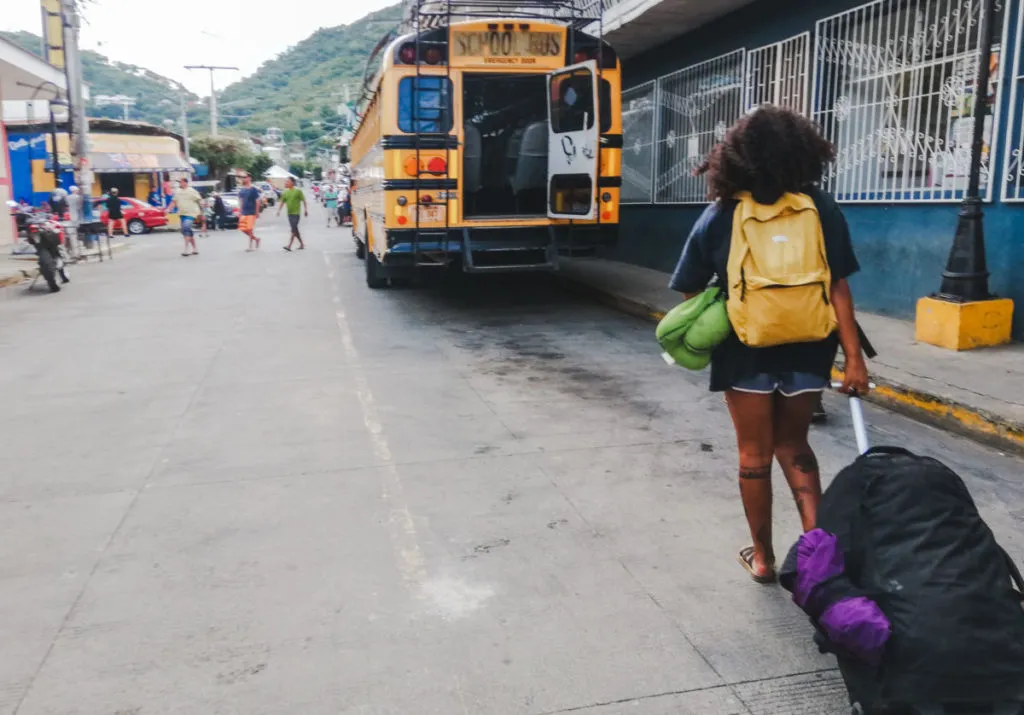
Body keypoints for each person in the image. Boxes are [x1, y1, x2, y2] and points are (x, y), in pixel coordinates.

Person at [668, 106, 871, 584]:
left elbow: (688, 287)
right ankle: (820, 560)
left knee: (753, 456)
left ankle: (762, 559)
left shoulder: (722, 212)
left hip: (745, 352)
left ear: (736, 155)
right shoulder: (819, 207)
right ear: (805, 152)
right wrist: (854, 360)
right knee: (794, 445)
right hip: (809, 348)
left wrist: (730, 308)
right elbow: (838, 287)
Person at [167, 177, 202, 257]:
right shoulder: (177, 192)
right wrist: (168, 209)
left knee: (186, 228)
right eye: (179, 182)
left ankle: (186, 249)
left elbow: (199, 200)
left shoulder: (192, 191)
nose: (180, 183)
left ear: (185, 183)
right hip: (182, 213)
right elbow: (174, 202)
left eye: (181, 182)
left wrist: (201, 212)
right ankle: (195, 248)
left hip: (191, 213)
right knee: (186, 231)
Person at [276, 177, 308, 251]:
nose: (286, 183)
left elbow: (304, 200)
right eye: (286, 181)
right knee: (295, 230)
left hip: (296, 213)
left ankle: (289, 245)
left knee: (293, 229)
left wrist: (306, 210)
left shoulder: (298, 191)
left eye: (288, 181)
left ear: (292, 183)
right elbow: (282, 202)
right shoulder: (285, 192)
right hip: (289, 214)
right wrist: (279, 210)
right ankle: (302, 244)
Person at [237, 173, 262, 251]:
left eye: (245, 177)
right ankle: (256, 239)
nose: (243, 178)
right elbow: (241, 201)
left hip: (251, 212)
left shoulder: (253, 189)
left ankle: (250, 246)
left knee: (250, 229)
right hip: (244, 212)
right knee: (242, 229)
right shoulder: (242, 190)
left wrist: (257, 212)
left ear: (249, 178)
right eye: (243, 177)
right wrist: (240, 211)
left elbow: (257, 201)